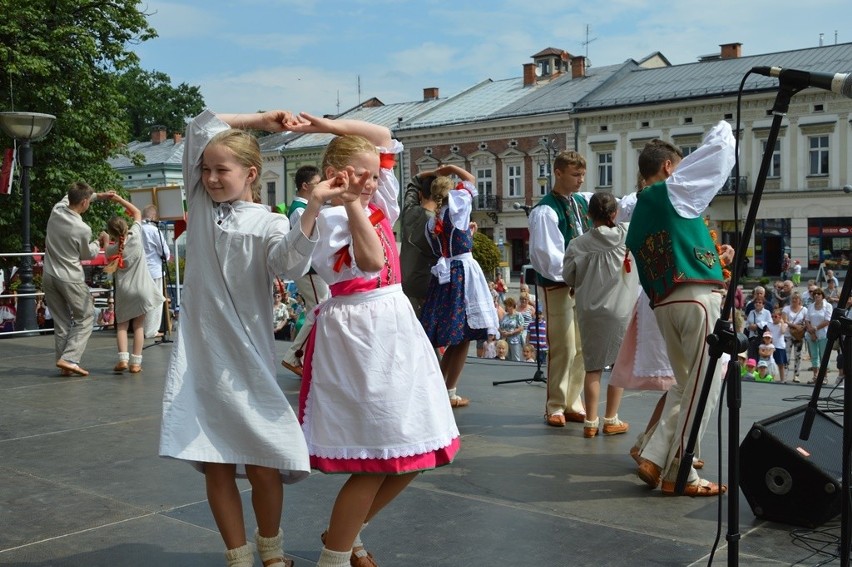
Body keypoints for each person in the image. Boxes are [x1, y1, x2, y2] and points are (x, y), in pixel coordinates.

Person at [159, 109, 350, 567]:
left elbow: (288, 264)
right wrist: (261, 119)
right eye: (205, 169)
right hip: (203, 355)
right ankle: (238, 555)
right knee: (216, 460)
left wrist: (316, 206)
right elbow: (197, 124)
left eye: (221, 169)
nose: (209, 178)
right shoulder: (201, 206)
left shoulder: (268, 221)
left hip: (246, 355)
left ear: (250, 173)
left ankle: (271, 548)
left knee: (265, 458)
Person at [287, 112, 459, 567]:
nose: (370, 181)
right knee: (374, 458)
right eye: (360, 174)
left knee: (419, 447)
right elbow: (368, 261)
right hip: (359, 331)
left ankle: (348, 534)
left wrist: (325, 125)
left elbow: (383, 135)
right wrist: (350, 202)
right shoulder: (327, 218)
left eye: (373, 173)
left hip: (394, 323)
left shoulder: (375, 197)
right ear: (333, 175)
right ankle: (334, 555)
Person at [627, 120, 735, 497]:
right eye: (681, 162)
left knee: (687, 385)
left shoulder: (638, 211)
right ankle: (680, 470)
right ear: (670, 167)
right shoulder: (673, 191)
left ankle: (654, 454)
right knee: (706, 384)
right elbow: (720, 153)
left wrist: (708, 255)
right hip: (694, 299)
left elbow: (668, 247)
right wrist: (723, 125)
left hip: (664, 304)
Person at [420, 167, 499, 408]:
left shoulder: (434, 221)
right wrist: (446, 169)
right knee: (462, 336)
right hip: (463, 274)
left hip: (445, 277)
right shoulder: (457, 209)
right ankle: (449, 390)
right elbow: (471, 180)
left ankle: (442, 388)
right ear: (451, 192)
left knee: (456, 335)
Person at [562, 191, 635, 439]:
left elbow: (568, 276)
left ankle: (590, 422)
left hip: (590, 311)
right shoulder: (626, 234)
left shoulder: (577, 244)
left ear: (588, 214)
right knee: (618, 365)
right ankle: (611, 418)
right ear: (614, 213)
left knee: (593, 367)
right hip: (620, 310)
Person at [528, 150, 591, 428]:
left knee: (581, 346)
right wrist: (572, 276)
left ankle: (572, 401)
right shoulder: (546, 210)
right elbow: (548, 256)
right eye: (575, 174)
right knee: (563, 344)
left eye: (582, 175)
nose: (580, 180)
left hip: (583, 283)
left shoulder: (581, 202)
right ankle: (555, 403)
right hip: (560, 284)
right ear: (558, 173)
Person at [43, 182, 111, 377]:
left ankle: (64, 363)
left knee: (62, 322)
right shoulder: (83, 228)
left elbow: (70, 196)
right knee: (86, 316)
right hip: (70, 277)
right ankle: (70, 359)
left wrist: (99, 195)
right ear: (83, 203)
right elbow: (86, 254)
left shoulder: (57, 210)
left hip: (49, 274)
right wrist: (100, 242)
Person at [103, 194, 164, 373]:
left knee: (122, 325)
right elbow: (137, 212)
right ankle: (136, 363)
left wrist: (106, 240)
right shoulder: (135, 236)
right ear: (125, 226)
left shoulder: (112, 250)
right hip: (143, 289)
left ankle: (123, 358)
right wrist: (118, 199)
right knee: (139, 326)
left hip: (125, 291)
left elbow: (107, 249)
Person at [281, 165, 331, 377]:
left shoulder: (303, 207)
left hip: (311, 268)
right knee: (319, 310)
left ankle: (307, 356)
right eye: (317, 183)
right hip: (309, 268)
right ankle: (295, 355)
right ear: (305, 186)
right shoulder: (301, 210)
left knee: (317, 309)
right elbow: (308, 240)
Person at [140, 204, 171, 339]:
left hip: (140, 270)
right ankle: (151, 330)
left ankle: (139, 328)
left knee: (143, 301)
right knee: (155, 301)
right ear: (153, 217)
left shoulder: (136, 229)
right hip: (154, 269)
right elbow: (164, 252)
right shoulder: (153, 231)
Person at [804, 287, 833, 384]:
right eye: (815, 294)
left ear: (822, 296)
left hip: (823, 334)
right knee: (814, 356)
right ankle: (815, 376)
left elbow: (827, 321)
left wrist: (815, 328)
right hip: (812, 334)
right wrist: (812, 332)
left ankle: (824, 377)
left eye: (818, 294)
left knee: (823, 356)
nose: (816, 295)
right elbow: (807, 320)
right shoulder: (811, 306)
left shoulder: (828, 306)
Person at [782, 292, 807, 383]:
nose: (794, 300)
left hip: (798, 335)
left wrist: (801, 327)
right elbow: (784, 320)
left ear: (800, 300)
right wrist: (794, 325)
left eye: (796, 298)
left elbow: (806, 321)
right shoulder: (786, 308)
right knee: (786, 355)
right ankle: (784, 375)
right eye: (793, 298)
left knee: (798, 356)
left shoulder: (804, 310)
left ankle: (796, 375)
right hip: (788, 335)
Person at [499, 297, 526, 362]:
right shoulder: (505, 316)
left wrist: (511, 333)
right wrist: (502, 332)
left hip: (515, 340)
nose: (505, 308)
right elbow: (500, 326)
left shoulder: (518, 315)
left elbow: (521, 327)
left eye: (507, 306)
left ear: (511, 306)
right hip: (505, 340)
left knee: (515, 358)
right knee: (507, 358)